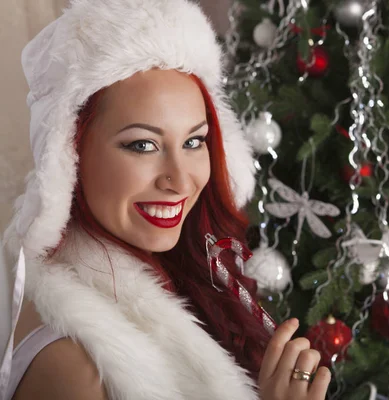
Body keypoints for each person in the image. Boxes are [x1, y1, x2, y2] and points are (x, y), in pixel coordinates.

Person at [0, 0, 331, 399]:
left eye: (194, 141)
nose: (179, 179)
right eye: (143, 144)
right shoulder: (77, 368)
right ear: (71, 156)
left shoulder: (197, 288)